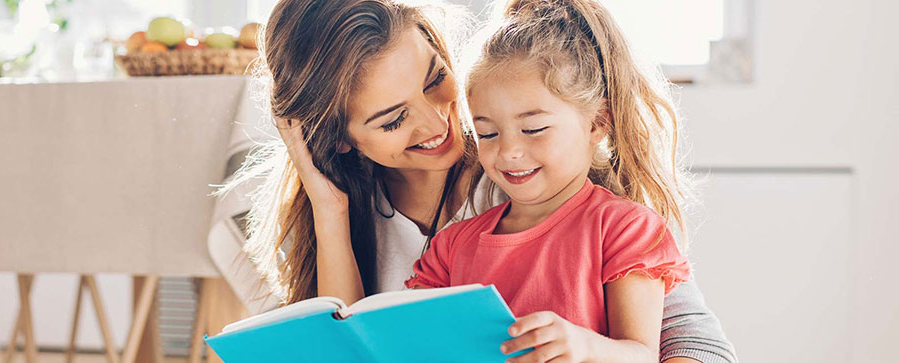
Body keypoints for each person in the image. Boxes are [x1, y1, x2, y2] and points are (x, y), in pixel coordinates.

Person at [226, 0, 736, 361]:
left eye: (434, 80)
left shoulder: (544, 177)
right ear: (340, 139)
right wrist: (330, 215)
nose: (437, 122)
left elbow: (695, 344)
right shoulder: (346, 217)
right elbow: (354, 348)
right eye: (392, 119)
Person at [406, 0, 694, 360]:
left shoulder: (624, 228)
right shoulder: (450, 249)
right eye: (487, 134)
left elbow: (642, 355)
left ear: (596, 123)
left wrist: (585, 347)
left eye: (533, 129)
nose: (509, 151)